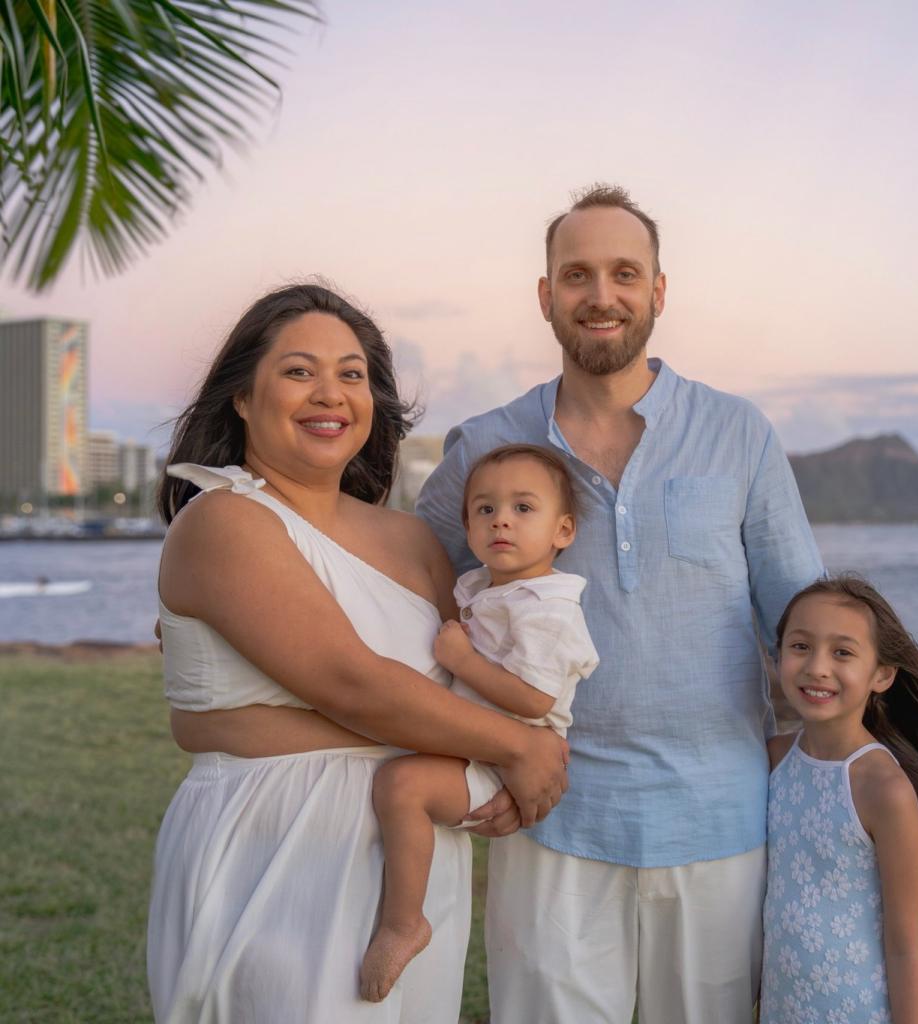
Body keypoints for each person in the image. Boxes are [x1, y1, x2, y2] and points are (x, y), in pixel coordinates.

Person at [416, 185, 825, 1022]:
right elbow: (404, 583)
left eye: (624, 273)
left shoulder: (737, 432)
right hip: (548, 815)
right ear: (546, 297)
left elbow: (807, 626)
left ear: (658, 291)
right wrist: (257, 579)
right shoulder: (486, 442)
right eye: (577, 275)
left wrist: (885, 779)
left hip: (719, 820)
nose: (601, 296)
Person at [146, 283, 568, 1023]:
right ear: (242, 395)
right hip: (275, 848)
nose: (331, 394)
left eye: (352, 374)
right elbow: (355, 683)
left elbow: (475, 672)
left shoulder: (410, 540)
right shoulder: (224, 521)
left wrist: (505, 740)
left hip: (412, 866)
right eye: (299, 371)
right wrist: (518, 750)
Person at [360, 443, 599, 1002]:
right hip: (472, 742)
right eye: (485, 510)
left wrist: (463, 661)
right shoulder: (477, 587)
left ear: (562, 531)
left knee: (403, 786)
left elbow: (536, 698)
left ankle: (404, 923)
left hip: (508, 758)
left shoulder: (547, 606)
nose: (502, 521)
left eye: (523, 508)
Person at [761, 575, 918, 1024]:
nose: (817, 667)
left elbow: (907, 949)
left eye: (843, 652)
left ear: (882, 674)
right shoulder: (774, 759)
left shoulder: (883, 789)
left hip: (857, 1010)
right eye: (800, 646)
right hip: (783, 1007)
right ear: (778, 655)